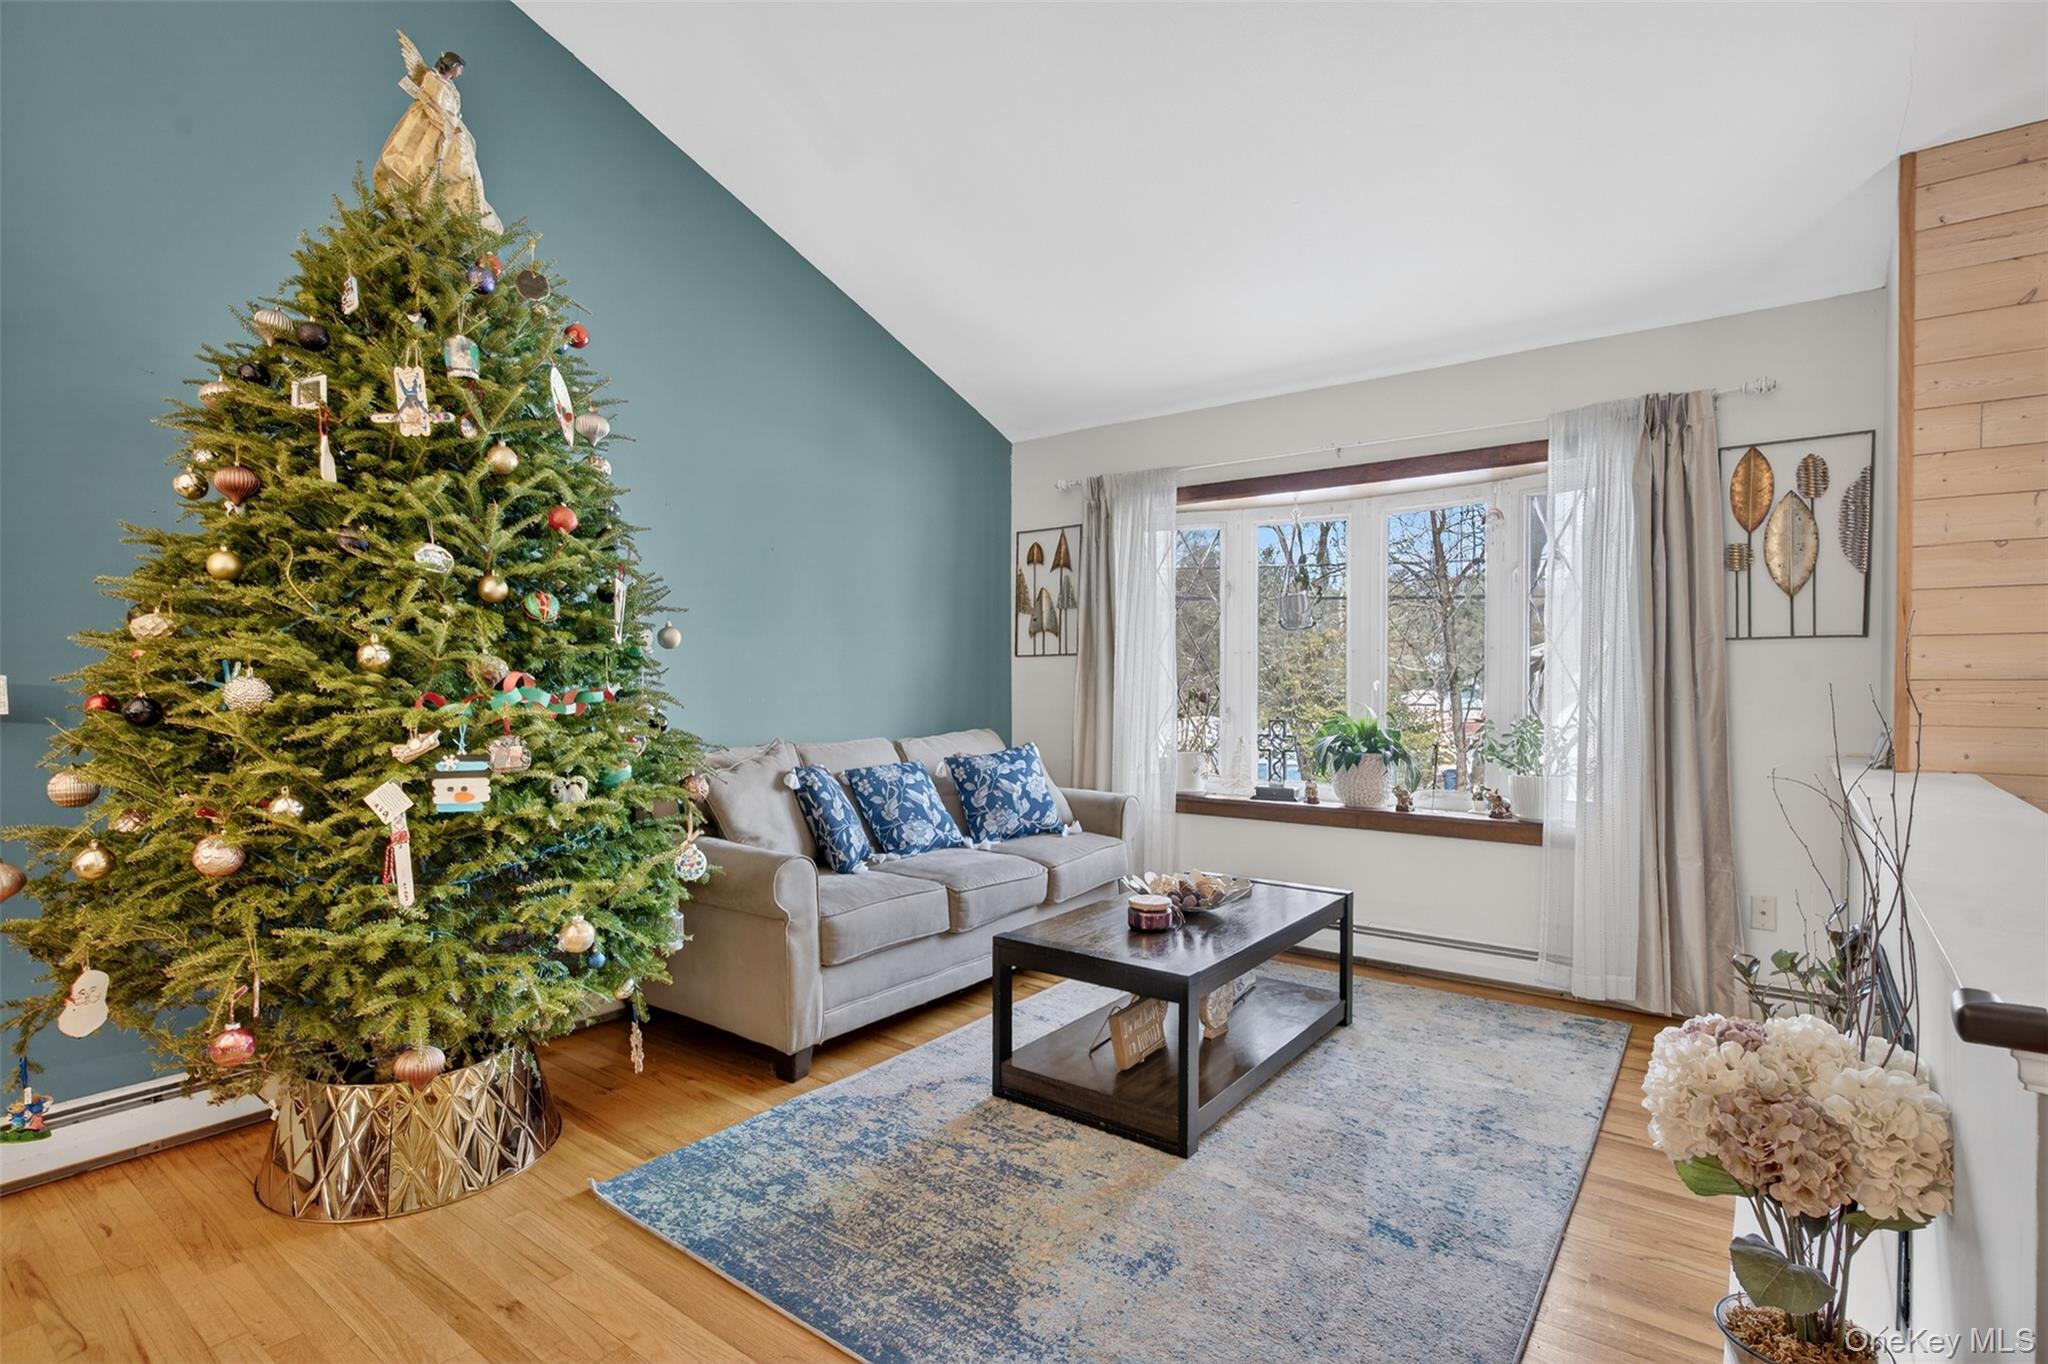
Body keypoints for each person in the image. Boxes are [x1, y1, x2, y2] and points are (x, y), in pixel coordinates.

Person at [374, 31, 502, 232]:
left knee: (459, 169)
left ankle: (449, 210)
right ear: (452, 65)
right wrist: (448, 124)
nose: (460, 72)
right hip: (429, 128)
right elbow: (434, 106)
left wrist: (453, 126)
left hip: (447, 130)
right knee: (417, 163)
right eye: (459, 67)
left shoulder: (449, 86)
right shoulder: (433, 79)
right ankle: (410, 201)